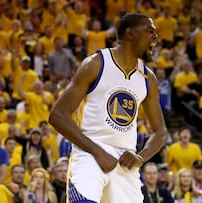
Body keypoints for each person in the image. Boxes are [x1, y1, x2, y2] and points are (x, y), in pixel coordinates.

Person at [49, 13, 167, 203]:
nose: (155, 36)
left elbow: (161, 132)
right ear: (130, 33)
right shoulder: (96, 63)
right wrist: (98, 152)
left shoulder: (148, 78)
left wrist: (140, 157)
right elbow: (58, 115)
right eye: (149, 31)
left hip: (125, 162)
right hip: (89, 154)